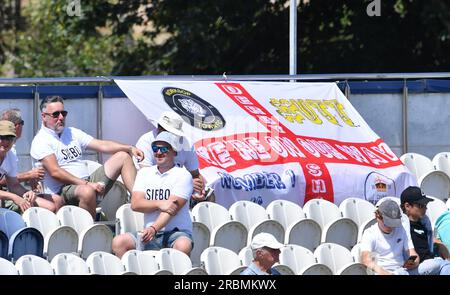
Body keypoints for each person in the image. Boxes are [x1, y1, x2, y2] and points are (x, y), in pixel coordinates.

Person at [30, 95, 144, 219]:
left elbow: (102, 145)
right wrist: (87, 184)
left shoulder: (71, 132)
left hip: (85, 182)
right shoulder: (41, 140)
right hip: (62, 191)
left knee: (123, 156)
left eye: (64, 113)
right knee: (87, 192)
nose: (61, 117)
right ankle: (90, 231)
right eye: (56, 114)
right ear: (44, 116)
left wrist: (129, 148)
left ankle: (138, 200)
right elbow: (55, 172)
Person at [112, 131, 193, 258]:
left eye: (164, 148)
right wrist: (160, 203)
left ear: (174, 151)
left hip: (175, 233)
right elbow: (136, 204)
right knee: (119, 242)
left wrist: (153, 228)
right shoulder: (144, 173)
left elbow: (171, 210)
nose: (159, 152)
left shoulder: (183, 175)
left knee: (183, 244)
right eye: (155, 148)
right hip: (149, 232)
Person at [135, 111, 210, 205]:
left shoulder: (187, 142)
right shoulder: (146, 140)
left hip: (176, 191)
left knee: (210, 196)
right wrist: (186, 182)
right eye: (160, 127)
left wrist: (199, 189)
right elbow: (147, 177)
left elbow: (195, 174)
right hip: (151, 192)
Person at [0, 120, 62, 213]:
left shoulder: (11, 155)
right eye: (2, 137)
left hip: (6, 196)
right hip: (5, 197)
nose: (5, 141)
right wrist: (14, 197)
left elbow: (13, 185)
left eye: (10, 137)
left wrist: (27, 193)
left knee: (51, 206)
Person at [361, 199, 422, 275]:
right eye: (388, 223)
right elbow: (366, 259)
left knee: (437, 263)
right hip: (383, 272)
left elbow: (413, 254)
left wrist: (413, 263)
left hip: (402, 271)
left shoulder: (401, 229)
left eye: (394, 223)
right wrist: (387, 273)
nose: (391, 227)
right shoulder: (370, 233)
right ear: (377, 217)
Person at [400, 186, 450, 275]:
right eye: (421, 205)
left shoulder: (424, 224)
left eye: (425, 205)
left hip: (429, 266)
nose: (425, 208)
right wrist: (409, 264)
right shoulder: (401, 228)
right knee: (445, 264)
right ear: (407, 206)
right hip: (413, 268)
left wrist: (438, 244)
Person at [0, 108, 45, 190]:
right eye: (22, 123)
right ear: (17, 125)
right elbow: (2, 180)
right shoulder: (7, 150)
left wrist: (29, 176)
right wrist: (29, 175)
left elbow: (11, 177)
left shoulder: (10, 149)